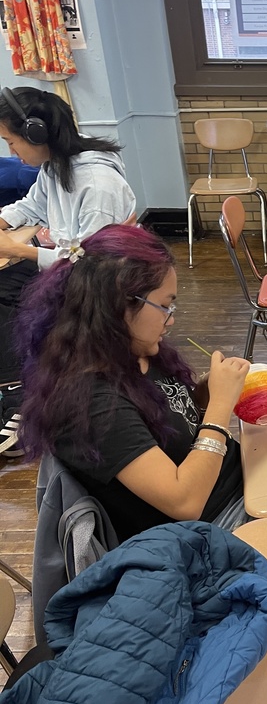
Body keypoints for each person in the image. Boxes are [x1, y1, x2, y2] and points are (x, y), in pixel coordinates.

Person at [16, 226, 250, 544]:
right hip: (211, 532)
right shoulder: (90, 402)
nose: (171, 318)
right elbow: (185, 502)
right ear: (120, 306)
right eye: (165, 305)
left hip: (238, 489)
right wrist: (221, 408)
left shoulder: (135, 353)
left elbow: (168, 427)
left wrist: (205, 395)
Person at [0, 86, 136, 448]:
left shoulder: (97, 185)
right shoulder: (55, 166)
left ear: (37, 133)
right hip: (74, 272)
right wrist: (2, 221)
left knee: (23, 315)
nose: (10, 151)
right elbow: (30, 206)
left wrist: (22, 251)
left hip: (104, 285)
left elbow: (90, 261)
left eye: (12, 142)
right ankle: (28, 400)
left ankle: (28, 405)